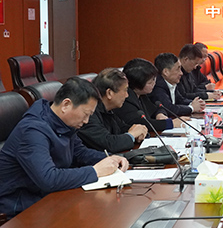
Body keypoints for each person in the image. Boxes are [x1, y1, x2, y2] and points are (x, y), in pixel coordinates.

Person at [0, 77, 128, 218]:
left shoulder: (62, 122)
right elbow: (48, 179)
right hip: (20, 207)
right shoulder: (32, 131)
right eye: (85, 114)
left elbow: (79, 153)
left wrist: (112, 159)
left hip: (47, 196)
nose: (86, 121)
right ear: (66, 104)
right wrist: (95, 171)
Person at [78, 68, 148, 153]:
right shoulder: (89, 114)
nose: (127, 95)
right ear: (109, 93)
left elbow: (122, 129)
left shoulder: (108, 110)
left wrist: (141, 131)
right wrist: (132, 135)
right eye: (125, 90)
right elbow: (108, 144)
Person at [114, 58, 183, 131]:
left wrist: (159, 114)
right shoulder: (125, 99)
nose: (154, 83)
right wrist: (170, 123)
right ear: (137, 85)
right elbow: (139, 123)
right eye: (150, 82)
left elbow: (157, 107)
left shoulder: (142, 95)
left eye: (154, 79)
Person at [150, 52, 205, 117]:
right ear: (166, 72)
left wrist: (196, 103)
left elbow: (180, 100)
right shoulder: (158, 86)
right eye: (178, 69)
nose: (181, 73)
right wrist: (191, 108)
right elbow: (169, 109)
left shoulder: (171, 82)